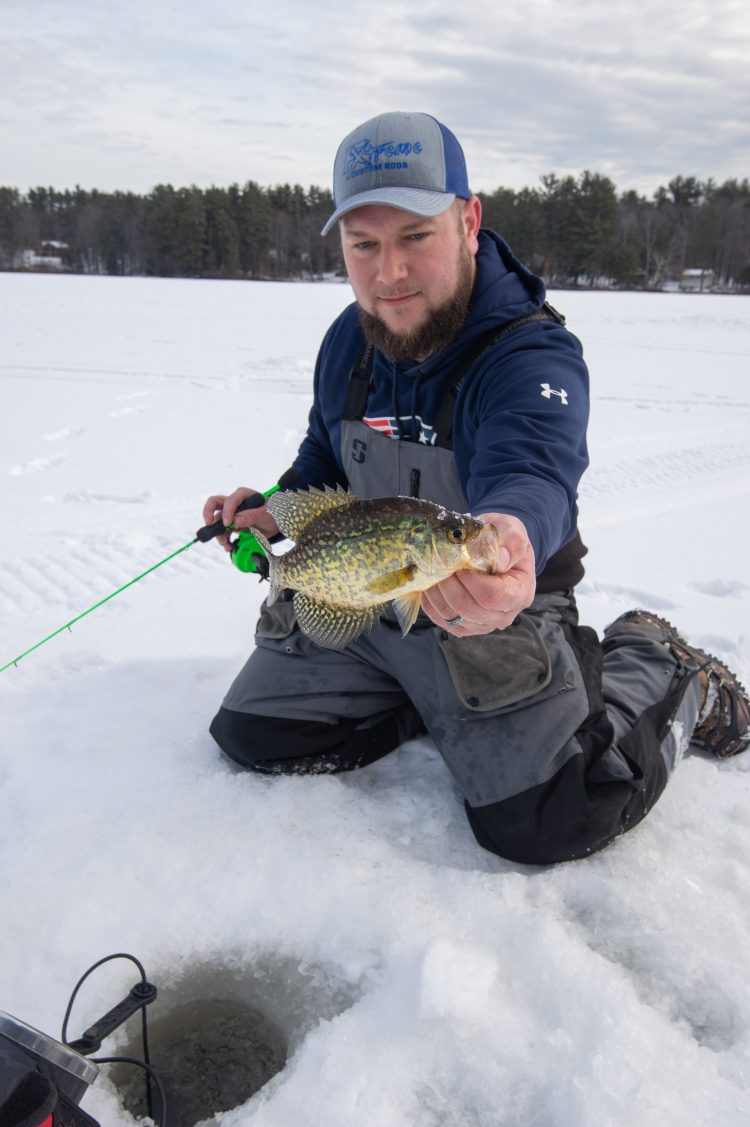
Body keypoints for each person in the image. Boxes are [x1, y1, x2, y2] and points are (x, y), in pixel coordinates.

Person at [203, 111, 749, 865]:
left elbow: (534, 470)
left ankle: (665, 664)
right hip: (374, 597)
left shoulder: (530, 356)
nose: (389, 275)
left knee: (554, 815)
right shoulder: (349, 339)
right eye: (364, 245)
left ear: (468, 222)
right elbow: (326, 455)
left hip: (497, 608)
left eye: (415, 237)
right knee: (259, 735)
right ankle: (434, 701)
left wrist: (511, 537)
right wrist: (275, 506)